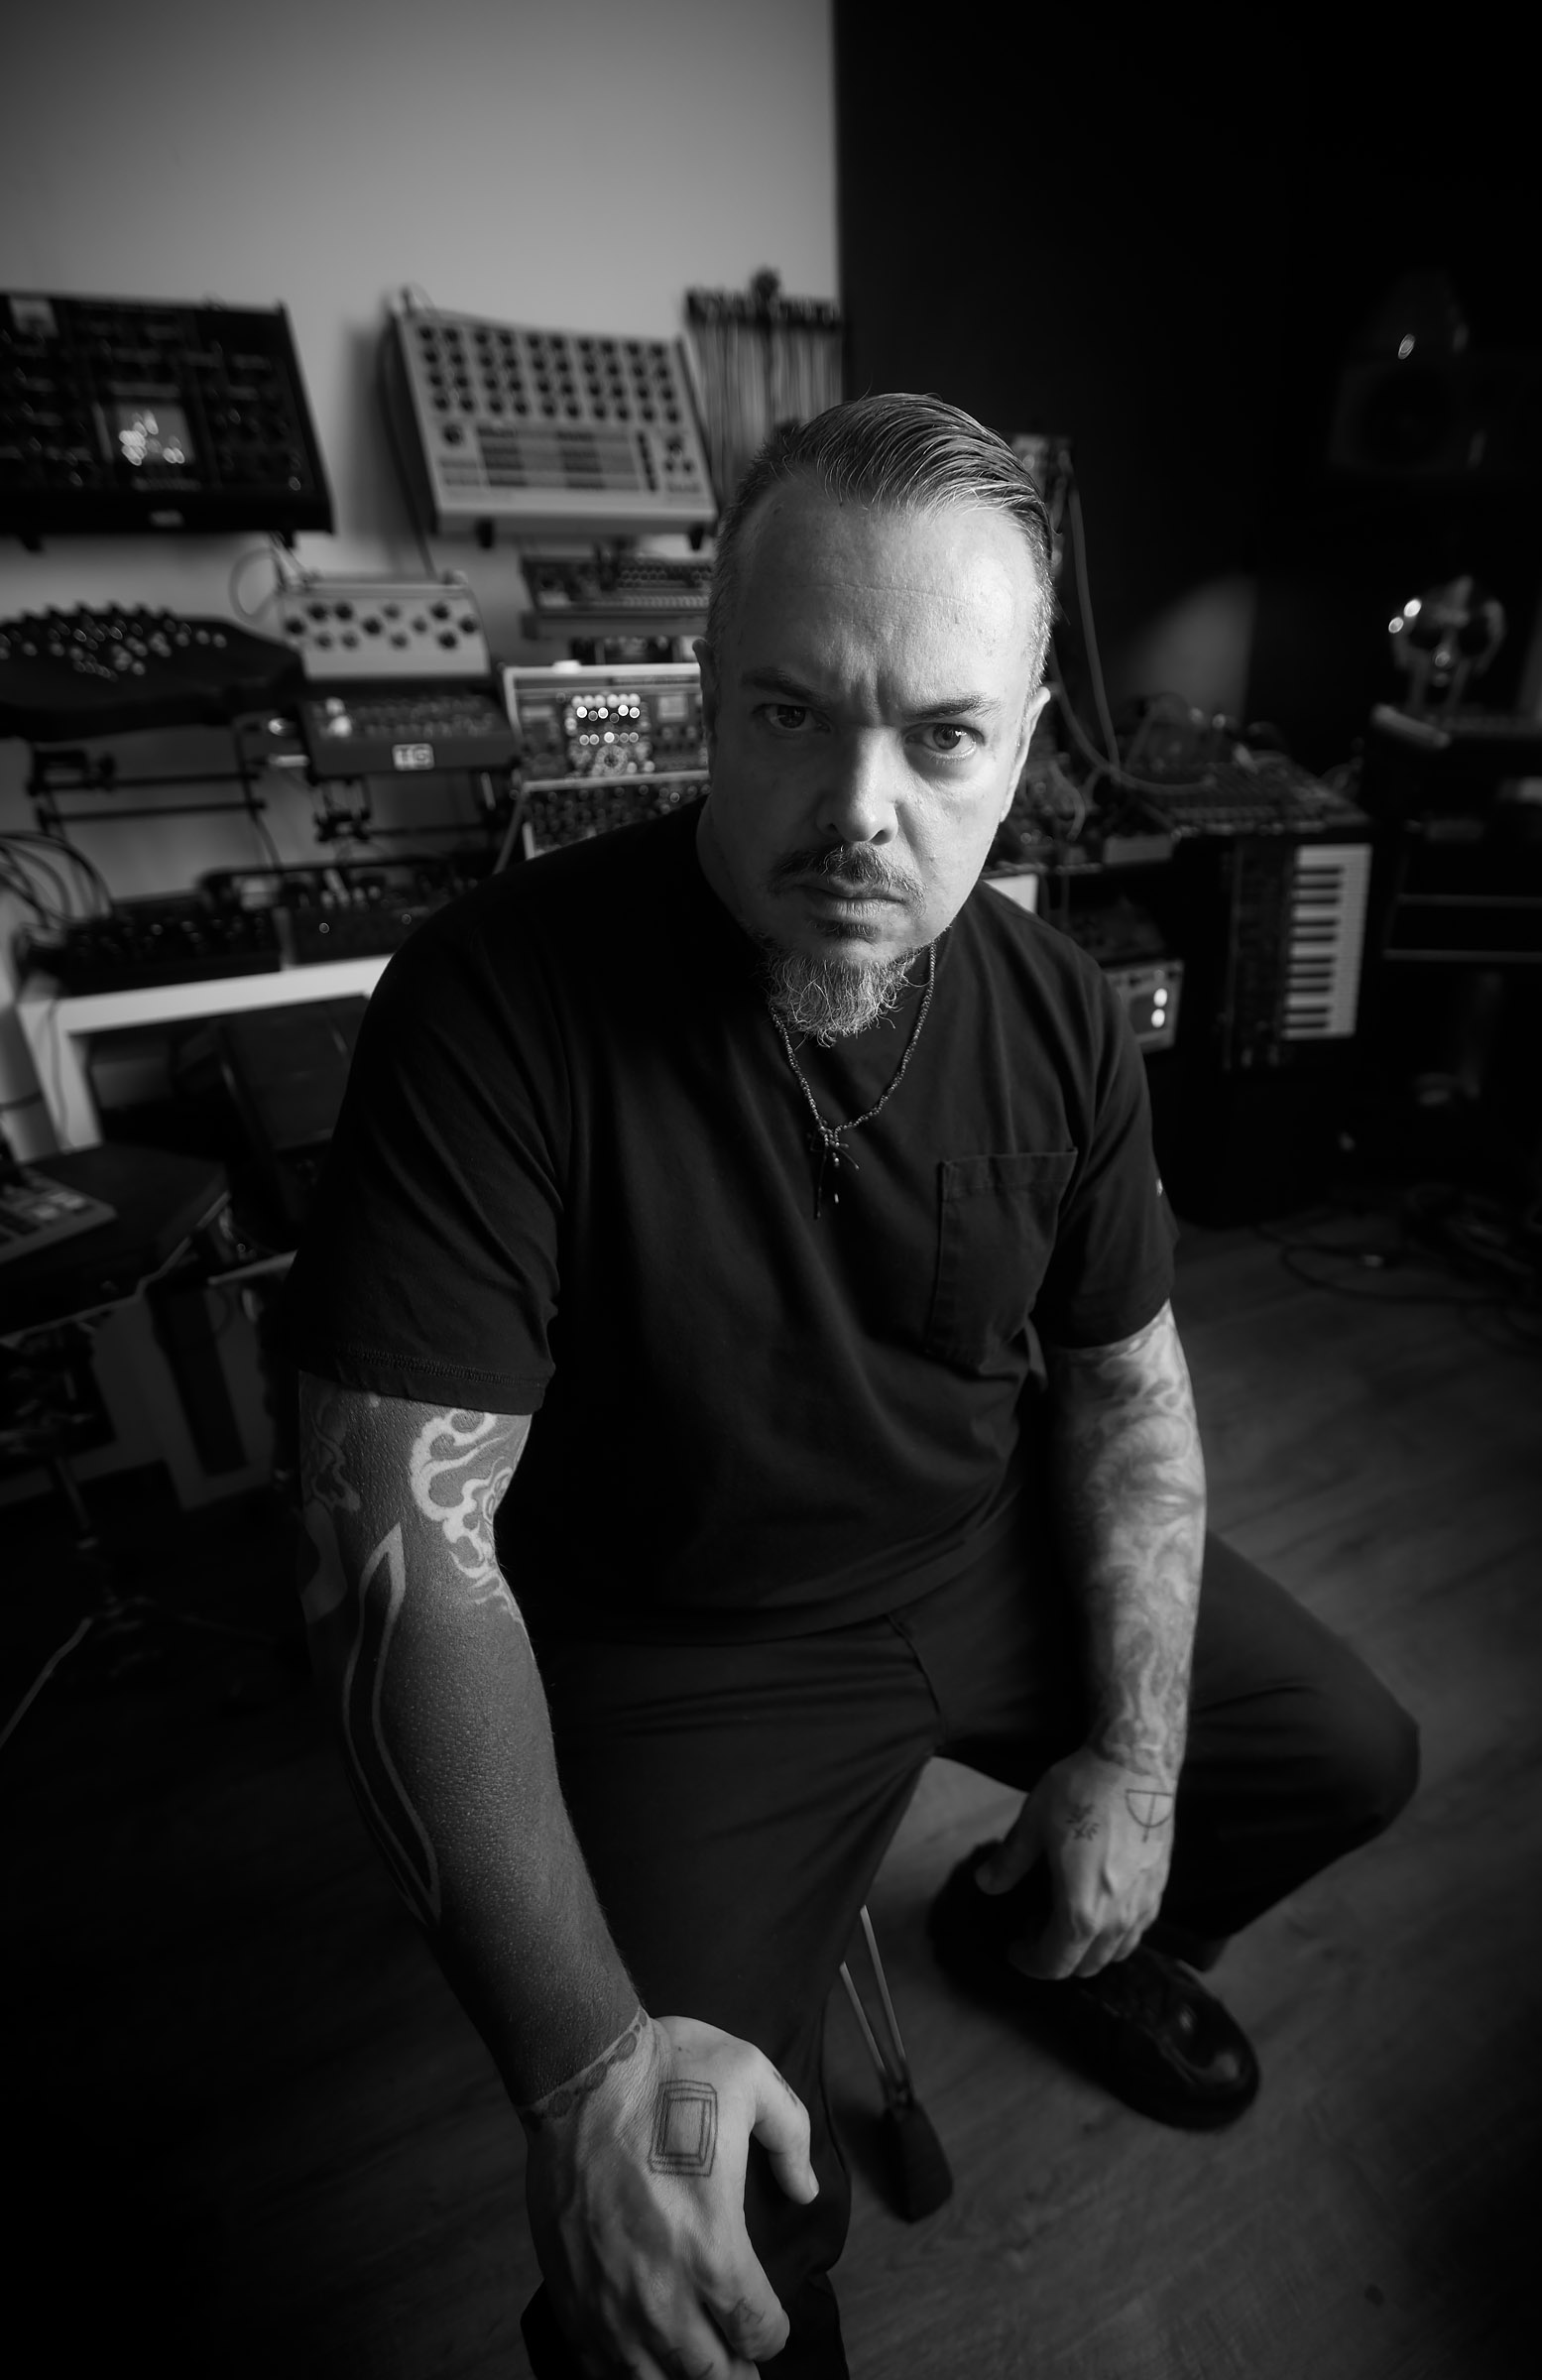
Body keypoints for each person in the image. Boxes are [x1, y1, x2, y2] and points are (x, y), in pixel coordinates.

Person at [288, 393, 1419, 2380]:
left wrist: (1133, 1764)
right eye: (792, 714)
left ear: (1026, 746)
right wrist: (584, 2080)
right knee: (699, 2247)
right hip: (685, 1644)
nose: (858, 810)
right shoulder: (489, 1006)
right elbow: (393, 1547)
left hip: (977, 1550)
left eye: (941, 737)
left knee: (1343, 1753)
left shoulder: (1059, 1015)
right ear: (704, 699)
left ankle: (1031, 1919)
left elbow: (1122, 1391)